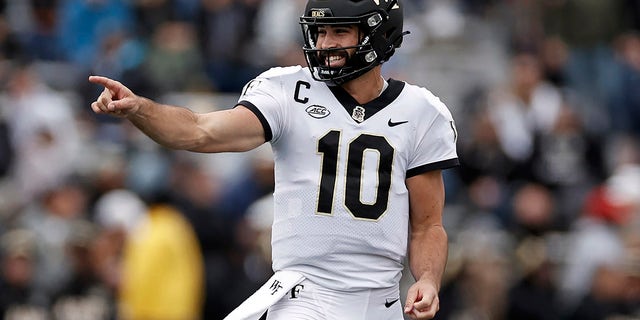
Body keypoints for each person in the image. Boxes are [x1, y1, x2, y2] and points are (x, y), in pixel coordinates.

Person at [88, 0, 459, 319]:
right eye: (321, 33)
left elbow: (427, 225)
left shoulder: (422, 112)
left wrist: (427, 278)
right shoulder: (287, 91)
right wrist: (139, 109)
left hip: (382, 300)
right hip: (305, 294)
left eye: (339, 32)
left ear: (378, 34)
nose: (325, 44)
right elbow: (199, 130)